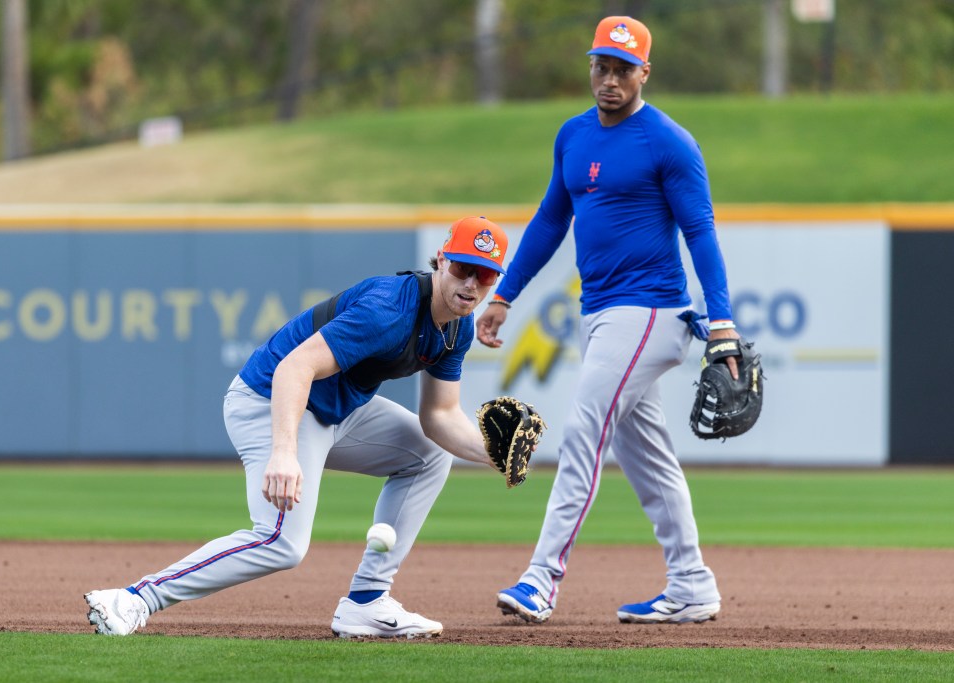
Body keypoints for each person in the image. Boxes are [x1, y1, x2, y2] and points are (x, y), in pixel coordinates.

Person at [86, 216, 511, 638]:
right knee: (281, 543)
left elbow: (439, 416)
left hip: (338, 409)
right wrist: (284, 452)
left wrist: (496, 455)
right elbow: (296, 367)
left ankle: (367, 602)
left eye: (486, 274)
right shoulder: (389, 309)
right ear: (440, 260)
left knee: (430, 453)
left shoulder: (458, 328)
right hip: (269, 398)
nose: (471, 284)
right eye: (462, 267)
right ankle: (134, 598)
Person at [477, 16, 739, 625]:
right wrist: (504, 295)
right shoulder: (572, 135)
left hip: (650, 310)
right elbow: (548, 221)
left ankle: (542, 577)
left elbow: (700, 231)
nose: (611, 78)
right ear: (590, 66)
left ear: (645, 72)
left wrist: (721, 320)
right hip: (603, 314)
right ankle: (692, 583)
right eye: (602, 65)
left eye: (624, 68)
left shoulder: (669, 141)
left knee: (583, 429)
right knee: (648, 458)